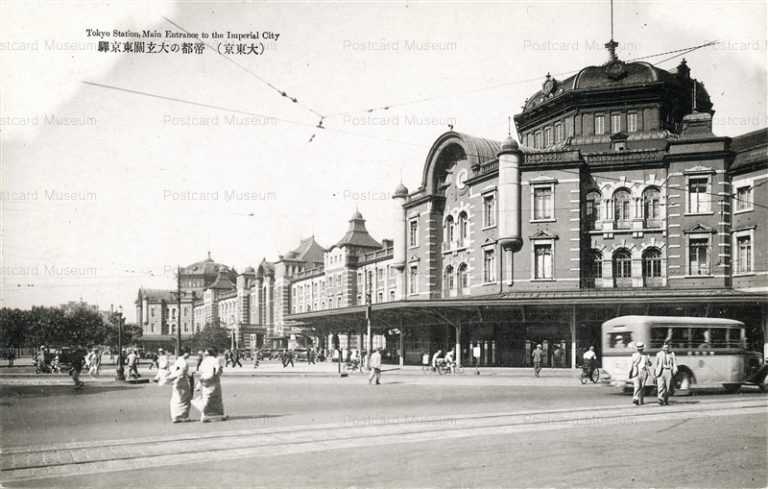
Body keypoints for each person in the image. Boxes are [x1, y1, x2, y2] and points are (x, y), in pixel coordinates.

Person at [193, 348, 227, 422]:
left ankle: (205, 415)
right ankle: (217, 415)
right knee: (216, 399)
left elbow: (201, 372)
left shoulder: (204, 361)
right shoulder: (216, 360)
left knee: (206, 398)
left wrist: (199, 385)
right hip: (214, 381)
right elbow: (218, 371)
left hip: (205, 382)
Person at [167, 348, 193, 423]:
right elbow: (183, 373)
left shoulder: (177, 361)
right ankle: (183, 416)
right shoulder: (184, 363)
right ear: (185, 353)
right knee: (184, 399)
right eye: (188, 353)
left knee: (176, 399)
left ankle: (175, 416)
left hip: (176, 382)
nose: (189, 354)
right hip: (182, 381)